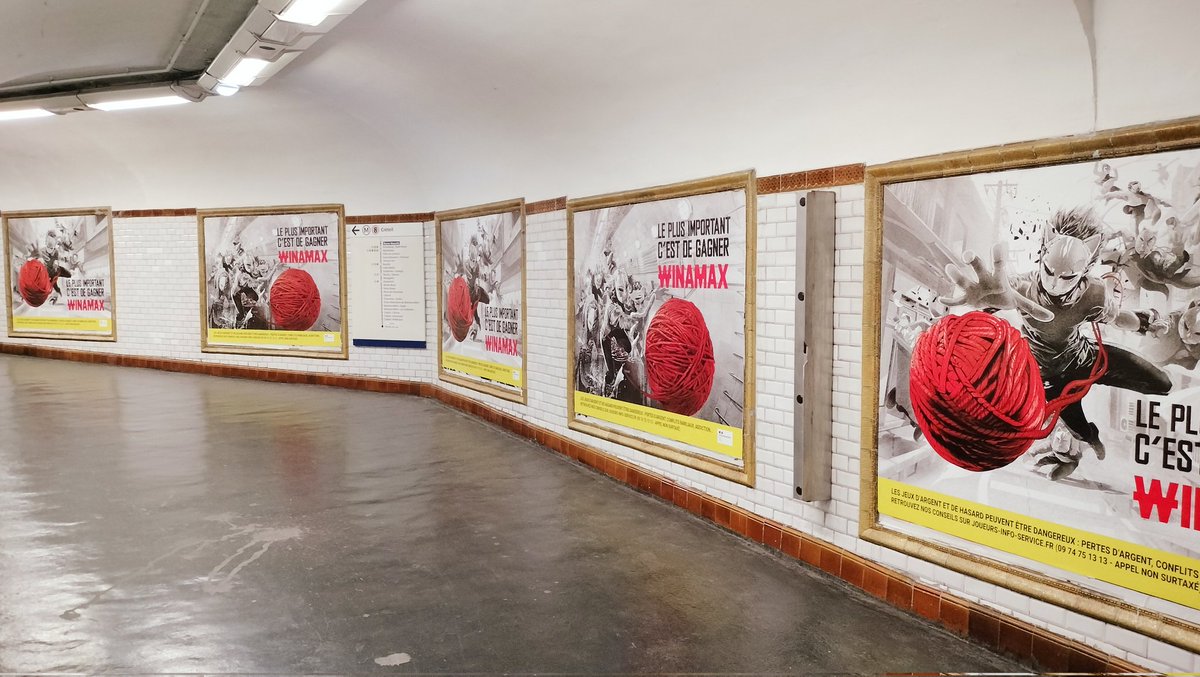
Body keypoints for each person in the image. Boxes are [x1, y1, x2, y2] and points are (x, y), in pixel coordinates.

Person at [940, 208, 1171, 478]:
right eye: (1049, 271)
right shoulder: (1017, 287)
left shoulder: (1094, 292)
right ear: (1042, 255)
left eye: (1067, 277)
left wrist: (1146, 322)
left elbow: (1117, 318)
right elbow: (982, 307)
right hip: (1049, 379)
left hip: (1086, 358)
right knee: (1081, 430)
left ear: (1085, 269)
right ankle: (1091, 438)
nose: (1054, 282)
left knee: (1162, 384)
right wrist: (975, 300)